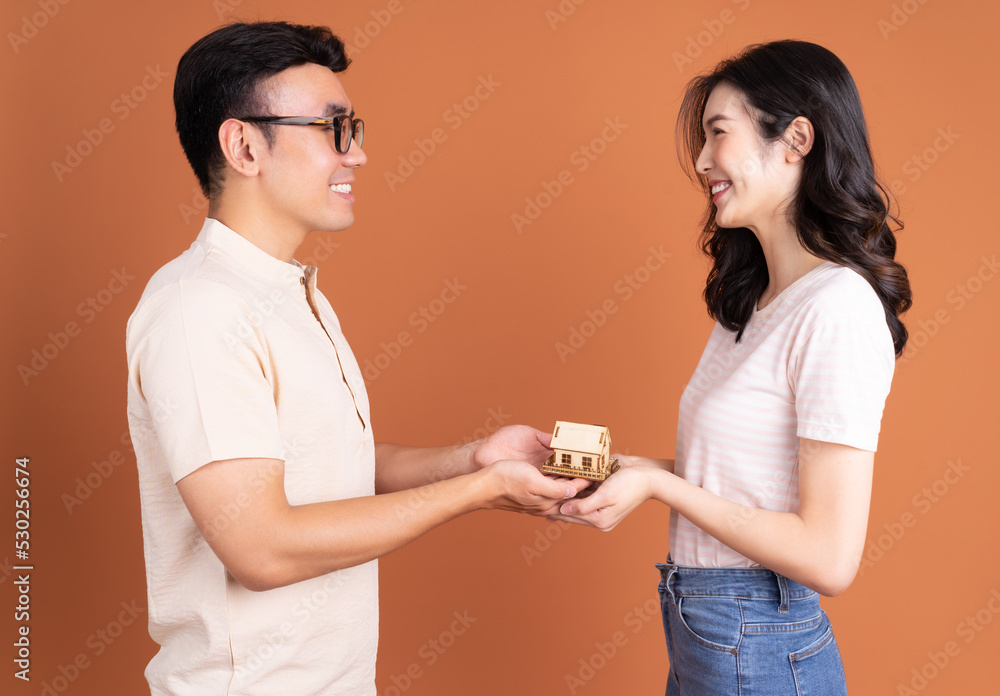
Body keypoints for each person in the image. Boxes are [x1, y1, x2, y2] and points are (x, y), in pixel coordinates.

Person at [125, 21, 588, 696]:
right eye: (333, 129)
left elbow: (328, 468)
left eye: (355, 128)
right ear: (245, 145)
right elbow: (260, 546)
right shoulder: (199, 309)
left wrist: (476, 459)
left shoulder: (292, 293)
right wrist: (481, 492)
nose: (358, 155)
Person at [554, 41, 912, 694]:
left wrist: (659, 489)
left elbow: (829, 558)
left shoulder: (836, 308)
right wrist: (623, 472)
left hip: (760, 640)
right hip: (710, 633)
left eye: (718, 133)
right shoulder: (751, 304)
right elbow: (738, 482)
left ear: (796, 139)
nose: (700, 160)